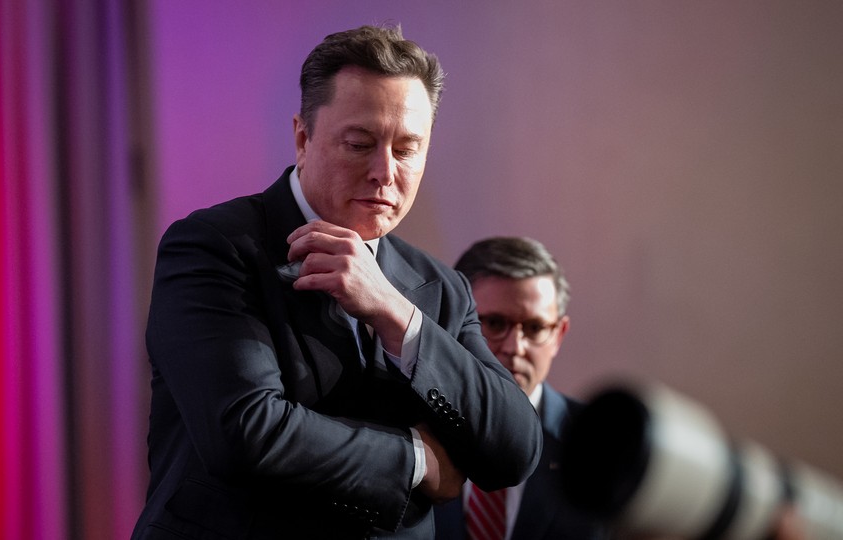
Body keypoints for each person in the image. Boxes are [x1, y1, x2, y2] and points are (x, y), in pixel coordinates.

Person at [131, 26, 543, 539]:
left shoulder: (440, 286)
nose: (384, 172)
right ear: (303, 138)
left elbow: (516, 450)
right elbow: (246, 431)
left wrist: (395, 314)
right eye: (360, 144)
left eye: (407, 149)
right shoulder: (213, 246)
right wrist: (417, 458)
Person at [434, 236, 610, 539]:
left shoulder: (600, 446)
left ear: (559, 335)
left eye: (534, 328)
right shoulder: (408, 430)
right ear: (454, 322)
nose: (515, 347)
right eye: (494, 323)